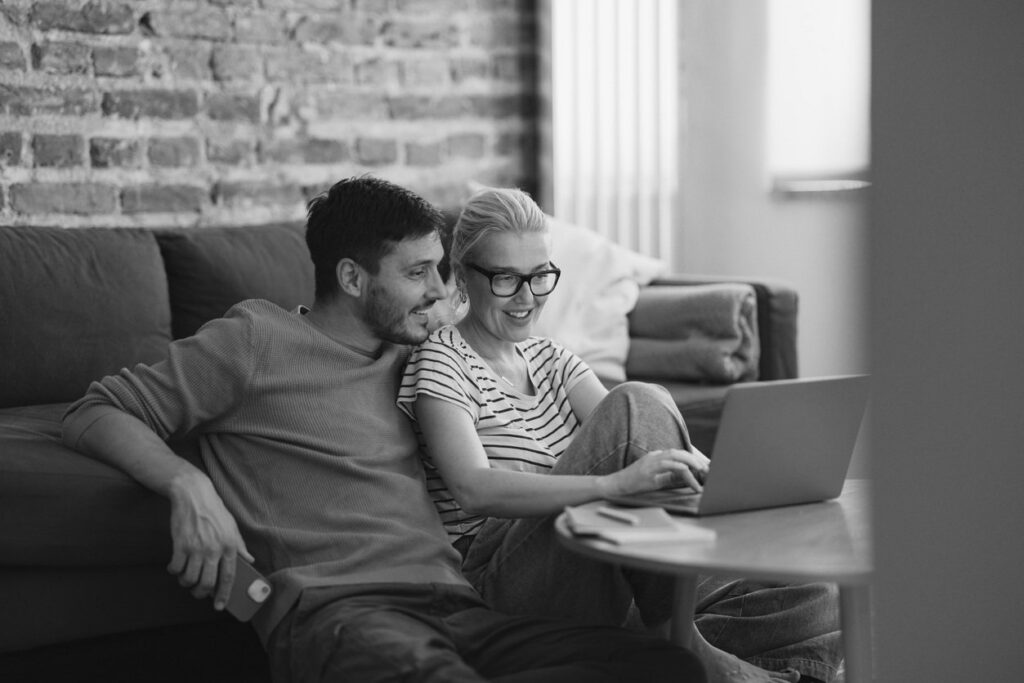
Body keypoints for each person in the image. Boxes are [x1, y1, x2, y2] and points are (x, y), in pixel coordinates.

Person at [61, 176, 707, 683]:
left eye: (440, 268)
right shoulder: (253, 341)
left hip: (461, 607)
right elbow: (95, 410)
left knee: (666, 667)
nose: (440, 291)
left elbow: (490, 329)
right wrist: (188, 486)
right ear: (352, 277)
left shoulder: (416, 354)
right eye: (417, 272)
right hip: (343, 610)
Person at [397, 187, 843, 683]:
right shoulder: (441, 359)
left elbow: (649, 437)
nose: (527, 298)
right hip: (502, 580)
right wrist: (612, 485)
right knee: (635, 399)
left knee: (813, 595)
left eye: (540, 276)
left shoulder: (551, 358)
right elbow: (473, 487)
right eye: (506, 279)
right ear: (462, 277)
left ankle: (682, 653)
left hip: (602, 562)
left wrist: (740, 485)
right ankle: (691, 651)